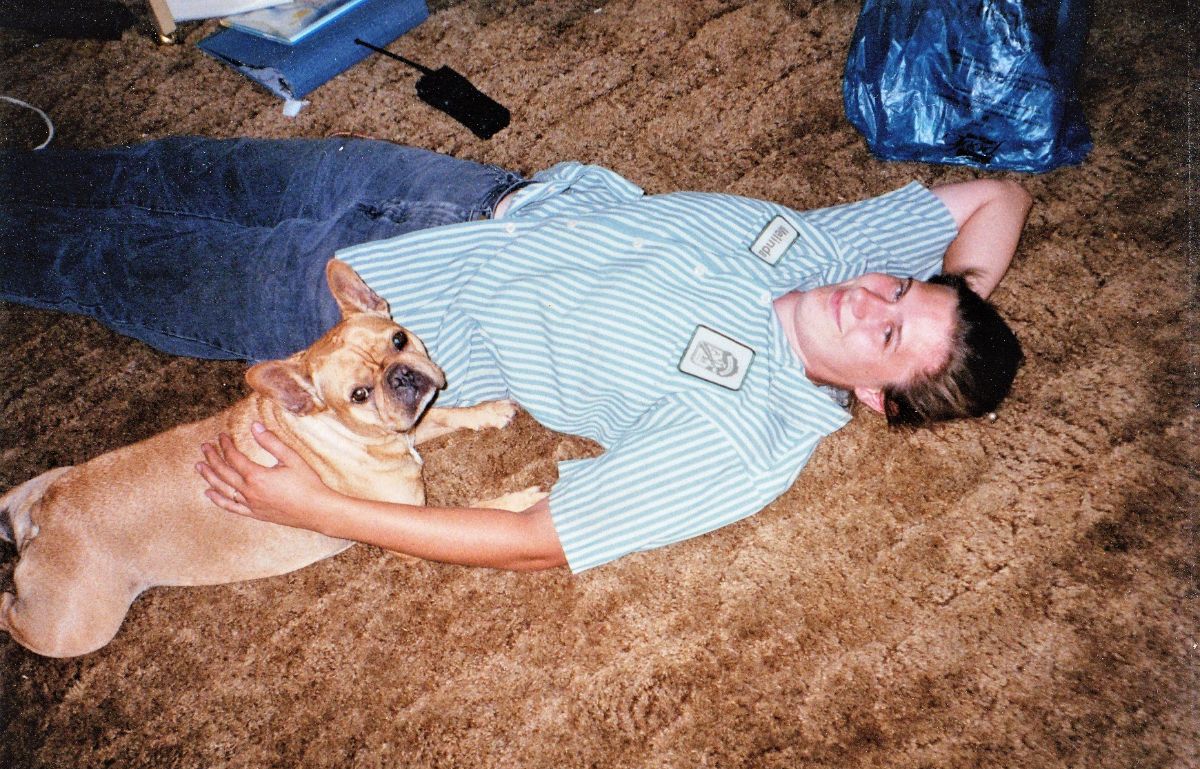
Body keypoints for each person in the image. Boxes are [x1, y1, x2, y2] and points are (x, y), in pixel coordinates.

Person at [1, 137, 1031, 574]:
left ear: (873, 401)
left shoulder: (743, 436)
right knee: (163, 172)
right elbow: (1000, 196)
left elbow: (542, 536)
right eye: (903, 289)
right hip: (451, 190)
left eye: (889, 337)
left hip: (361, 325)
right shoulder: (836, 249)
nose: (874, 297)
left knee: (95, 258)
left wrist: (311, 508)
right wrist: (960, 300)